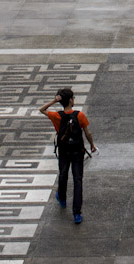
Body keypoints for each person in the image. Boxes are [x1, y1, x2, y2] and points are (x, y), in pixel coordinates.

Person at [39, 88, 97, 224]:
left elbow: (41, 110)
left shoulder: (56, 116)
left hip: (64, 151)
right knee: (78, 180)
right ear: (71, 100)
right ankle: (76, 213)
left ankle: (62, 198)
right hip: (78, 151)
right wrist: (92, 145)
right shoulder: (79, 115)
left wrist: (54, 100)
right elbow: (87, 133)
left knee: (63, 174)